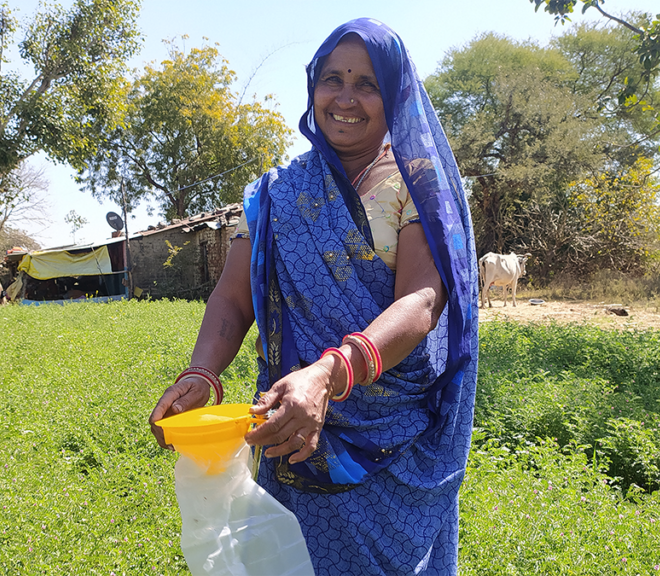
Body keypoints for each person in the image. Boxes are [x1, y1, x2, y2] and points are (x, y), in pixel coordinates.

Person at [149, 18, 478, 574]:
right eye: (332, 79)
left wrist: (327, 375)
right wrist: (199, 375)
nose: (346, 98)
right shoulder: (275, 194)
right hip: (292, 433)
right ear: (312, 88)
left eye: (367, 84)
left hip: (391, 439)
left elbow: (422, 301)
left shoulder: (416, 183)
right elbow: (231, 299)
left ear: (393, 94)